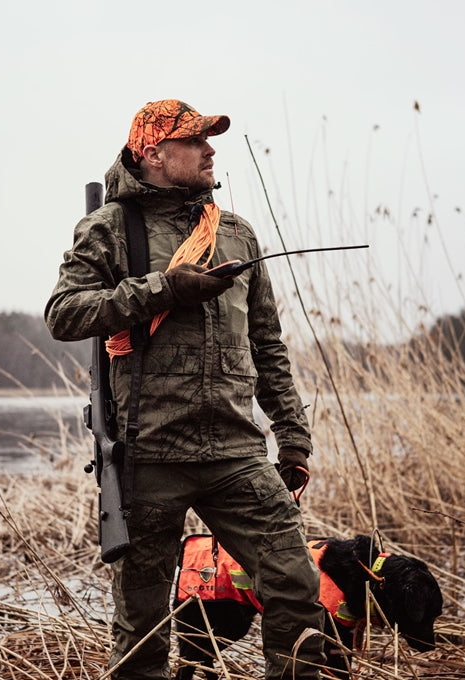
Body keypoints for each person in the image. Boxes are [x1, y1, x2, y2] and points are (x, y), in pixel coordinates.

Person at [45, 99, 325, 680]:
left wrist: (293, 437)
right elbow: (64, 314)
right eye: (195, 140)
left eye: (209, 140)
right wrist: (162, 289)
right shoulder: (111, 228)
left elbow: (267, 344)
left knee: (298, 590)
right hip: (148, 456)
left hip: (235, 453)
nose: (210, 149)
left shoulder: (236, 234)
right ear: (153, 153)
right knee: (142, 630)